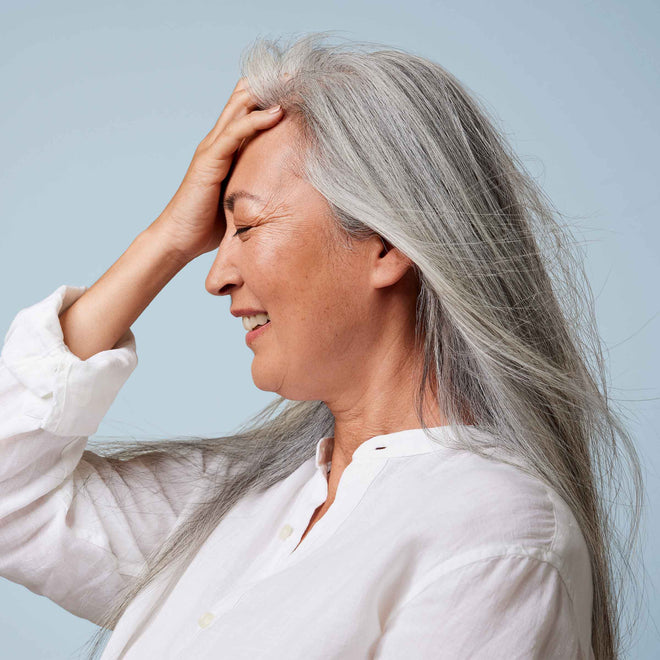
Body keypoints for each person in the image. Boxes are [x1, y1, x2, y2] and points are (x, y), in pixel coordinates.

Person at [0, 32, 644, 659]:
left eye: (246, 226)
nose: (215, 274)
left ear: (387, 245)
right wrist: (164, 237)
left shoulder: (497, 535)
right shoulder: (230, 503)